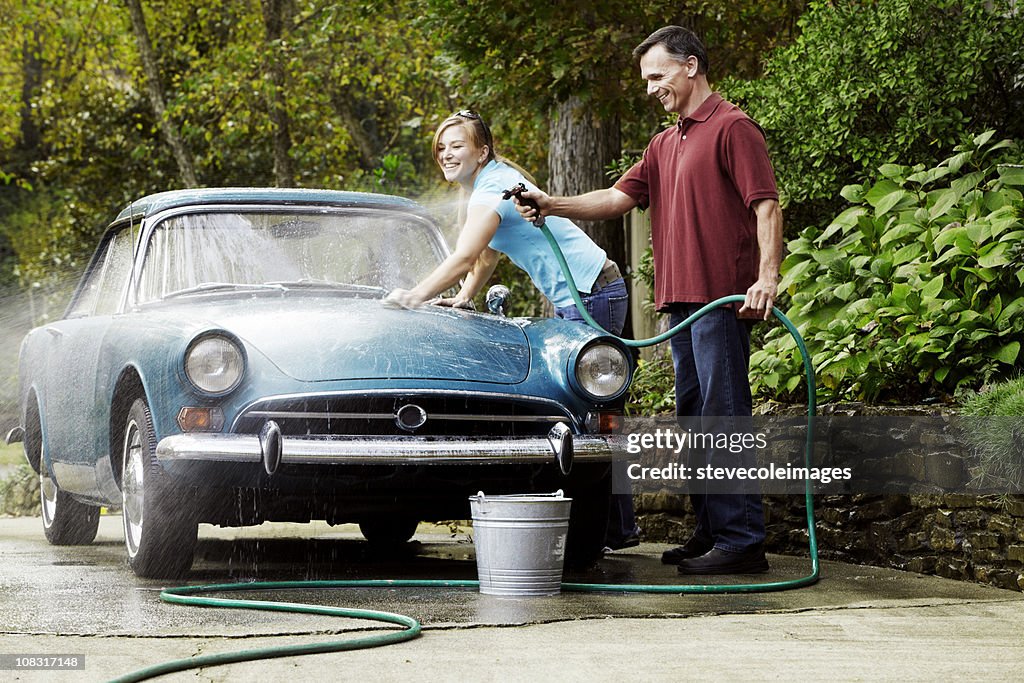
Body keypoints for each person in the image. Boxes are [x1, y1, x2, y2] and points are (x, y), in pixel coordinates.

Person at [514, 26, 783, 575]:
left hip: (722, 300)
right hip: (681, 302)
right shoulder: (665, 143)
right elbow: (616, 198)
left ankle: (742, 539)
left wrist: (767, 277)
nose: (650, 88)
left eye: (657, 76)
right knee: (693, 417)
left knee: (723, 414)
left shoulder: (733, 128)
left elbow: (767, 207)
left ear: (691, 66)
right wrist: (551, 202)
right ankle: (712, 530)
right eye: (646, 80)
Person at [384, 110, 640, 553]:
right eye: (441, 147)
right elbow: (484, 257)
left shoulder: (494, 189)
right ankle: (615, 528)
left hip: (592, 292)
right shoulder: (484, 189)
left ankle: (614, 528)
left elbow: (465, 255)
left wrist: (416, 294)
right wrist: (465, 296)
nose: (446, 153)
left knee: (589, 410)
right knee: (584, 410)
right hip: (585, 292)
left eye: (457, 145)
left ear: (482, 151)